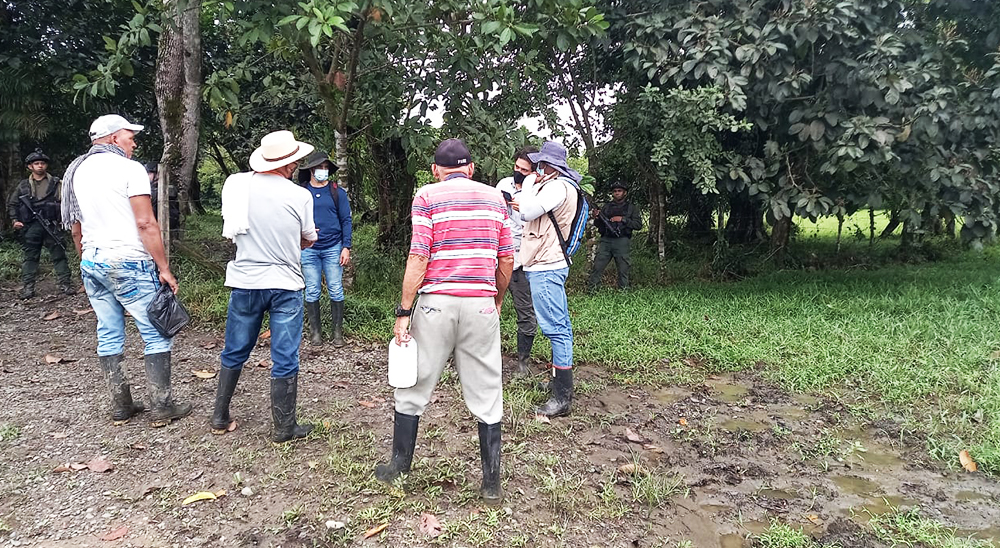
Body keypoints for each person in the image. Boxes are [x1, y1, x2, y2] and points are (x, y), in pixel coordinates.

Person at [375, 138, 513, 506]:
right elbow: (506, 260)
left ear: (435, 169)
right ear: (470, 168)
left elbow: (419, 256)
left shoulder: (427, 196)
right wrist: (495, 299)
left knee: (414, 383)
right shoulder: (496, 198)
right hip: (480, 306)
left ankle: (399, 468)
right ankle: (491, 485)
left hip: (436, 304)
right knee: (487, 388)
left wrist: (404, 312)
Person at [63, 114, 190, 426]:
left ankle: (120, 406)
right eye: (130, 136)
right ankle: (161, 405)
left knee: (108, 331)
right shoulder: (130, 169)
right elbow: (146, 222)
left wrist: (85, 259)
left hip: (93, 259)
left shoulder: (76, 171)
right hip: (128, 259)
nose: (134, 141)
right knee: (156, 332)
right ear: (114, 137)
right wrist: (164, 268)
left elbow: (75, 226)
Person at [211, 130, 318, 444]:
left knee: (235, 349)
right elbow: (308, 239)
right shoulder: (300, 195)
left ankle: (220, 414)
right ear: (289, 165)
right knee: (284, 355)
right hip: (285, 284)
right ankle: (284, 427)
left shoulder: (237, 185)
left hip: (245, 280)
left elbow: (231, 231)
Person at [514, 140, 580, 418]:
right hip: (543, 262)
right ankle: (557, 382)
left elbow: (527, 211)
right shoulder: (556, 184)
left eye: (539, 163)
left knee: (556, 328)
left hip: (547, 264)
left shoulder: (558, 187)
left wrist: (528, 183)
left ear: (548, 164)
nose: (535, 167)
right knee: (557, 325)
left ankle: (562, 398)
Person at [298, 151, 352, 347]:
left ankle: (337, 333)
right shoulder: (302, 192)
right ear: (311, 169)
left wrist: (346, 247)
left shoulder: (337, 192)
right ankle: (315, 333)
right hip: (308, 249)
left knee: (336, 289)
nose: (323, 171)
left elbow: (346, 220)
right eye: (320, 167)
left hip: (333, 247)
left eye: (326, 168)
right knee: (311, 290)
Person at [495, 146, 538, 376]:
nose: (518, 172)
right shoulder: (503, 184)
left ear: (533, 172)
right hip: (499, 253)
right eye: (517, 167)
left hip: (523, 259)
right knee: (485, 306)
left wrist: (525, 208)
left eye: (524, 170)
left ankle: (523, 363)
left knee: (525, 311)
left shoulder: (538, 192)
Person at [7, 149, 73, 298]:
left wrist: (65, 220)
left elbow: (66, 203)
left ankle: (65, 284)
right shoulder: (23, 186)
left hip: (51, 224)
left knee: (59, 254)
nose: (40, 166)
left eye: (42, 163)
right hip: (31, 225)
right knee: (30, 256)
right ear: (30, 166)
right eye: (36, 163)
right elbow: (13, 204)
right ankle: (28, 288)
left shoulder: (56, 183)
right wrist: (15, 220)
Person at [587, 181, 642, 291]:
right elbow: (598, 225)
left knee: (623, 269)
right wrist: (597, 217)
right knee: (597, 267)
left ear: (625, 193)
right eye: (615, 191)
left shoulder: (631, 208)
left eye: (619, 191)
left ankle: (624, 292)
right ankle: (592, 290)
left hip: (622, 241)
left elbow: (638, 225)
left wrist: (623, 219)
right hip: (606, 240)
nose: (617, 193)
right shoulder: (606, 207)